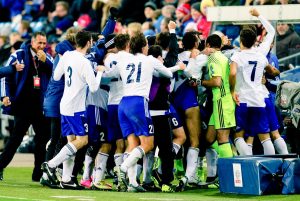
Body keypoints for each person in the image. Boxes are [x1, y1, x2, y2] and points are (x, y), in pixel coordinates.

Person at [114, 33, 184, 192]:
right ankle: (123, 168)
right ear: (144, 46)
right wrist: (177, 68)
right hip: (140, 104)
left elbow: (111, 74)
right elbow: (167, 73)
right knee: (149, 145)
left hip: (122, 103)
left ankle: (132, 183)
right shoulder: (150, 60)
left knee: (133, 143)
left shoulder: (124, 59)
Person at [41, 30, 105, 189]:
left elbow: (56, 76)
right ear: (89, 43)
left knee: (71, 142)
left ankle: (66, 179)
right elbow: (95, 87)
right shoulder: (84, 62)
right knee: (82, 140)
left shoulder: (68, 55)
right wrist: (100, 73)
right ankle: (51, 164)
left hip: (64, 105)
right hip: (76, 107)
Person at [0, 32, 53, 182]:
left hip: (41, 106)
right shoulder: (19, 54)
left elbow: (57, 73)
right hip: (23, 105)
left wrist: (46, 62)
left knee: (43, 140)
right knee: (16, 139)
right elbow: (5, 77)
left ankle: (38, 174)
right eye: (39, 43)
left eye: (44, 43)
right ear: (32, 42)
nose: (42, 46)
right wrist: (5, 96)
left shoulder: (47, 56)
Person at [230, 28, 275, 156]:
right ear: (255, 41)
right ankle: (272, 169)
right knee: (265, 137)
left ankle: (249, 164)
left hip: (243, 100)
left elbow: (233, 73)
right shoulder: (261, 56)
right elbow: (271, 70)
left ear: (241, 41)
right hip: (259, 100)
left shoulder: (237, 56)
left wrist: (233, 91)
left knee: (238, 136)